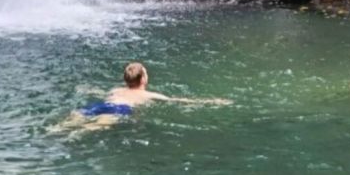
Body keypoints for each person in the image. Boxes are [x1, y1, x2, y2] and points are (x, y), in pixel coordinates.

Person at [53, 62, 231, 133]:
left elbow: (99, 93)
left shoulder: (116, 90)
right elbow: (178, 101)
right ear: (144, 79)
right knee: (96, 126)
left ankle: (57, 129)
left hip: (101, 104)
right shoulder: (148, 95)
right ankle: (76, 134)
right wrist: (212, 102)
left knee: (78, 116)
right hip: (119, 109)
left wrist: (84, 89)